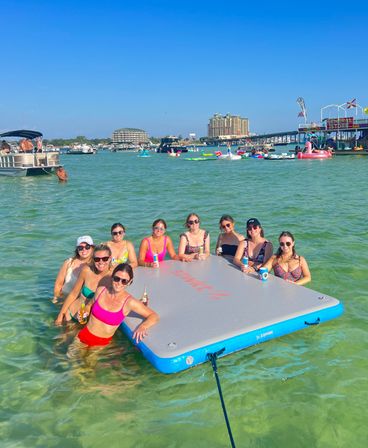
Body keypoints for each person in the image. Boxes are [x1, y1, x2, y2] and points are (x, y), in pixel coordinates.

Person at [77, 263, 159, 347]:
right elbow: (90, 304)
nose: (119, 283)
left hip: (100, 344)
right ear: (112, 277)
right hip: (84, 334)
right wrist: (85, 310)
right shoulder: (101, 290)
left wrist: (143, 326)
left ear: (129, 282)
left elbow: (154, 316)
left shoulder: (129, 302)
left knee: (89, 360)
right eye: (117, 278)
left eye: (124, 281)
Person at [55, 244, 113, 324]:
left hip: (92, 322)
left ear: (110, 258)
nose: (101, 262)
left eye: (105, 258)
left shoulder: (114, 277)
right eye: (97, 259)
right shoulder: (86, 271)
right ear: (93, 259)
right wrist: (60, 315)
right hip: (72, 315)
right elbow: (73, 294)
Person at [53, 236, 94, 303]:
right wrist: (57, 298)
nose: (84, 250)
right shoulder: (68, 263)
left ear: (92, 248)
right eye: (80, 248)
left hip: (82, 302)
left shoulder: (96, 264)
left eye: (87, 247)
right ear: (77, 249)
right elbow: (58, 284)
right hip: (64, 299)